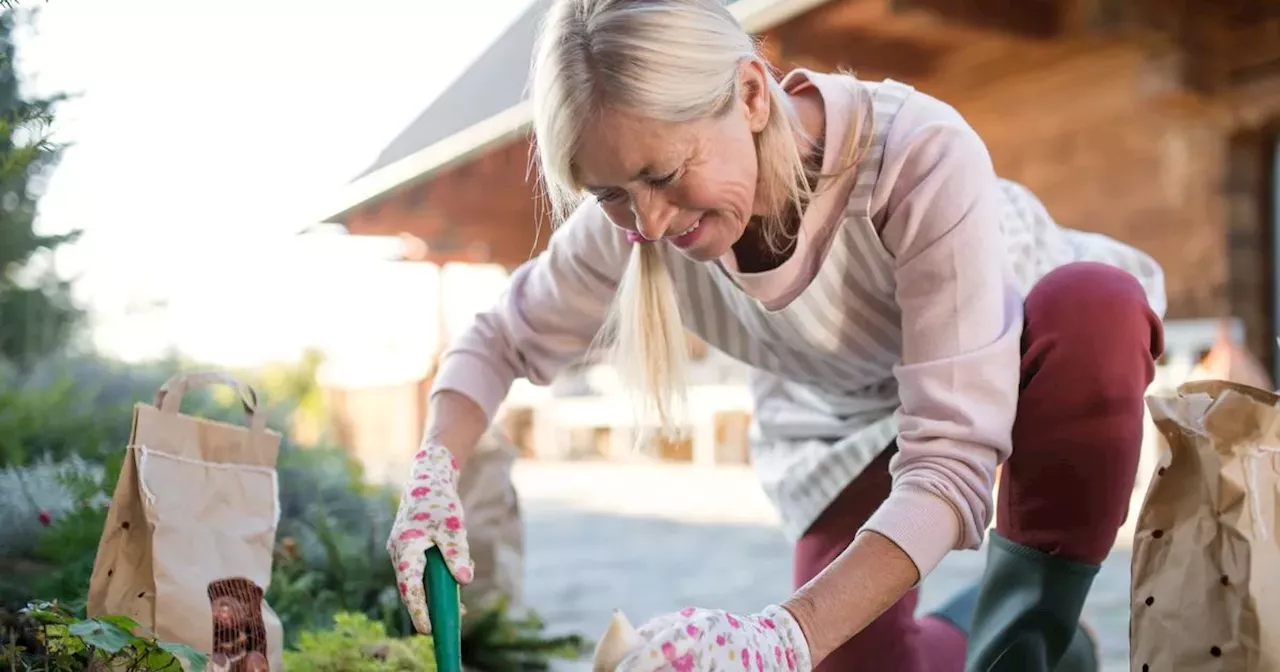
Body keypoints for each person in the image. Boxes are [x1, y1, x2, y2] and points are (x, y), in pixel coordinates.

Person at [385, 0, 1167, 669]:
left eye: (663, 175)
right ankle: (1000, 636)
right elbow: (495, 341)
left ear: (752, 94)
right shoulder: (629, 229)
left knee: (1095, 308)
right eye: (612, 194)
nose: (648, 222)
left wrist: (781, 636)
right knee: (850, 654)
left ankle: (1030, 638)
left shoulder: (915, 153)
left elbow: (948, 464)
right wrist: (432, 471)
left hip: (1018, 355)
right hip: (839, 417)